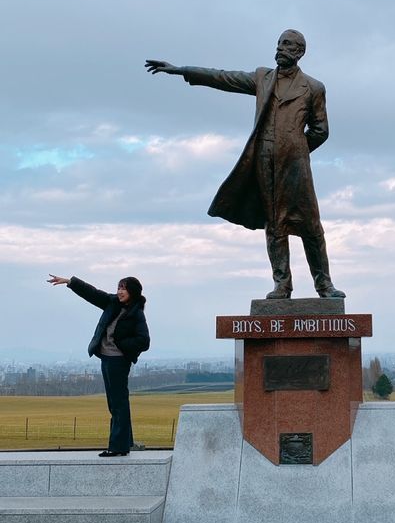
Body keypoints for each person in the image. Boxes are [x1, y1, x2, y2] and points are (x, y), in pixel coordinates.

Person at [145, 30, 345, 301]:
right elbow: (224, 77)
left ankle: (325, 285)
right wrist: (182, 70)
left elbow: (320, 130)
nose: (280, 48)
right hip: (264, 163)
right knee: (274, 225)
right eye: (278, 43)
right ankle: (282, 285)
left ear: (299, 51)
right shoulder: (263, 78)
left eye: (286, 44)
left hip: (296, 166)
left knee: (310, 225)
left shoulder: (313, 87)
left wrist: (295, 149)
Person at [47, 274, 150, 456]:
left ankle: (117, 447)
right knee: (116, 402)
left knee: (117, 403)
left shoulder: (136, 314)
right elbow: (92, 294)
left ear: (132, 291)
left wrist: (121, 345)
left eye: (123, 288)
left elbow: (144, 341)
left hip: (118, 361)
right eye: (118, 287)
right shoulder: (113, 303)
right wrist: (70, 282)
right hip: (106, 358)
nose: (119, 292)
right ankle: (126, 442)